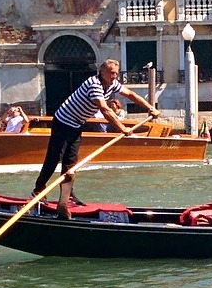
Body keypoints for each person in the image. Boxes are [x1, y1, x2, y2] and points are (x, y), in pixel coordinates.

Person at [32, 59, 160, 219]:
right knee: (54, 158)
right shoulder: (94, 85)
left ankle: (66, 198)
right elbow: (105, 110)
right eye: (111, 73)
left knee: (71, 164)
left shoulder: (112, 84)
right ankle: (38, 189)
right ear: (102, 72)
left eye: (116, 73)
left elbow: (131, 94)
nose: (114, 76)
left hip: (76, 125)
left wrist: (150, 108)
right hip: (62, 122)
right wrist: (122, 129)